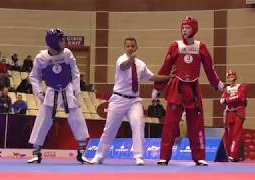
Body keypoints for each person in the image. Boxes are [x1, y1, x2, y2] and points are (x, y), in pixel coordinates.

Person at [151, 16, 225, 166]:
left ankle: (199, 157)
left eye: (188, 28)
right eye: (183, 27)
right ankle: (164, 156)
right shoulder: (175, 46)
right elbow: (165, 67)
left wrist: (216, 83)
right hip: (176, 89)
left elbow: (209, 68)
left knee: (196, 125)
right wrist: (157, 88)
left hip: (193, 90)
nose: (184, 30)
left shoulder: (201, 46)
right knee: (171, 124)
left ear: (195, 29)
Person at [90, 37, 172, 165]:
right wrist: (131, 59)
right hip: (118, 99)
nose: (130, 48)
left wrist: (169, 76)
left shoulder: (141, 64)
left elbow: (152, 77)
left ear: (136, 47)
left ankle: (139, 156)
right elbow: (124, 66)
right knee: (110, 129)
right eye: (128, 46)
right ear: (124, 47)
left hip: (134, 101)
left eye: (132, 46)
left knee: (138, 125)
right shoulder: (121, 60)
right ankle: (99, 156)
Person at [27, 28, 90, 164]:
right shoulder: (41, 58)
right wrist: (39, 92)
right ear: (54, 42)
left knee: (77, 118)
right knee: (43, 120)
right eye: (61, 40)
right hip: (51, 92)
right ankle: (36, 153)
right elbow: (34, 76)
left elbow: (75, 72)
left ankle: (81, 152)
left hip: (67, 89)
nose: (64, 42)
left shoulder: (67, 54)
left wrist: (76, 91)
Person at [220, 70, 248, 162]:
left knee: (236, 134)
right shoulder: (226, 88)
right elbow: (222, 100)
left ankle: (233, 154)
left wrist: (228, 100)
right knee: (229, 134)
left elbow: (240, 97)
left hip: (238, 113)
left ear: (235, 77)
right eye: (228, 77)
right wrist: (230, 99)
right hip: (229, 113)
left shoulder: (241, 86)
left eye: (231, 76)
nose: (230, 79)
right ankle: (229, 154)